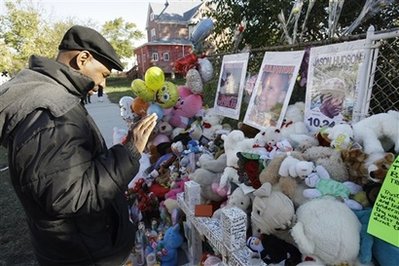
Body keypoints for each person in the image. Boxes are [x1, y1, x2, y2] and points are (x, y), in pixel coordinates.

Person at [0, 25, 157, 266]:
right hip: (84, 254)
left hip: (78, 248)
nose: (100, 85)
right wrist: (130, 152)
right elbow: (69, 196)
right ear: (83, 58)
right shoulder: (52, 111)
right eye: (103, 74)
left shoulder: (52, 96)